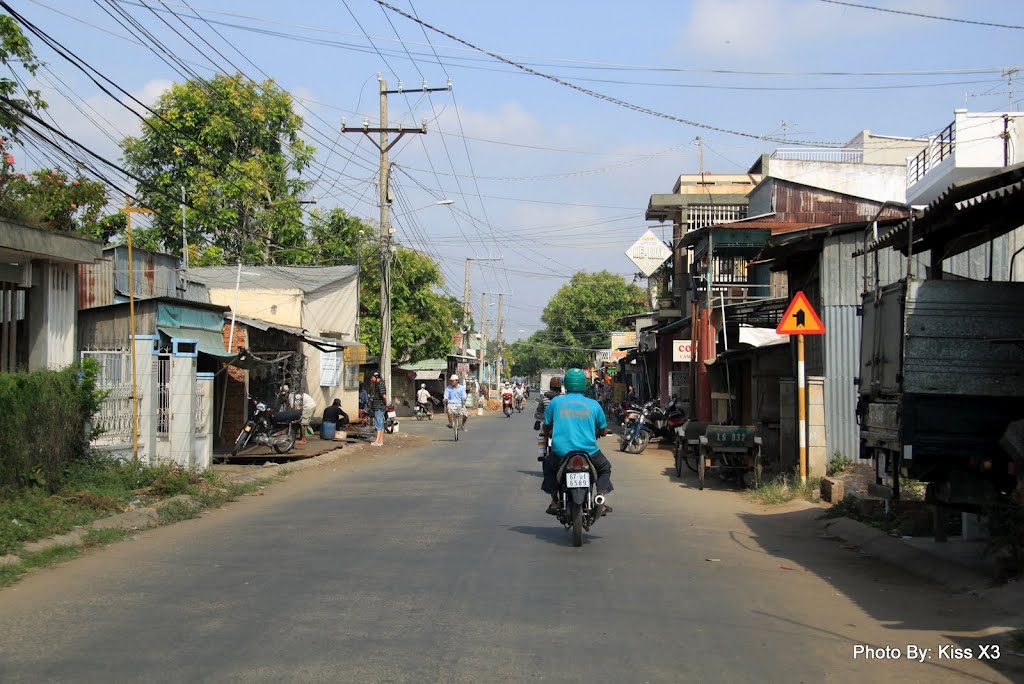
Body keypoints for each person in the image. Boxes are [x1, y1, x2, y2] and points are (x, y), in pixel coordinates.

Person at [542, 368, 614, 517]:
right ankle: (600, 495)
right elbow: (603, 430)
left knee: (548, 465)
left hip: (561, 452)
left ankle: (555, 500)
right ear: (584, 383)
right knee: (605, 468)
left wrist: (548, 433)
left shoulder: (556, 402)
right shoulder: (593, 404)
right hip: (589, 452)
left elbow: (547, 425)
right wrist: (600, 433)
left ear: (566, 384)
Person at [368, 371, 388, 447]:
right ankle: (380, 441)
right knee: (381, 424)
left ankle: (377, 441)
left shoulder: (380, 384)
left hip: (379, 407)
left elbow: (384, 396)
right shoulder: (379, 384)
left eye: (372, 377)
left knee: (378, 424)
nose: (371, 379)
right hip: (379, 406)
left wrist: (385, 404)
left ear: (376, 377)